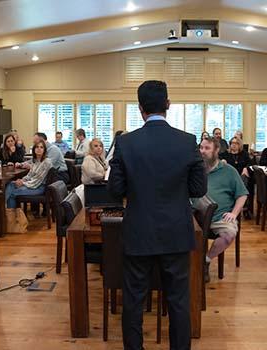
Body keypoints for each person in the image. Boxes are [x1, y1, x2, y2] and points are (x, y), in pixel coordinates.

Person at [108, 80, 207, 350]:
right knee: (178, 301)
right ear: (168, 105)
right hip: (176, 231)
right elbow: (199, 189)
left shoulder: (125, 143)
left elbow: (115, 189)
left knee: (134, 301)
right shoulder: (187, 141)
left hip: (138, 231)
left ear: (140, 108)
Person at [199, 137, 248, 282]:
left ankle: (205, 261)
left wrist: (234, 213)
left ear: (216, 151)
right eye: (201, 148)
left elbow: (242, 194)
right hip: (194, 216)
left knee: (229, 233)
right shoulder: (195, 169)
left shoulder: (229, 171)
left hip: (218, 217)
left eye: (207, 148)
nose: (202, 151)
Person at [6, 140, 52, 208]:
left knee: (12, 194)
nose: (39, 149)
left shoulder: (46, 162)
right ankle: (4, 209)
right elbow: (29, 175)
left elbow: (37, 181)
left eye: (41, 147)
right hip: (32, 184)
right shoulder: (35, 160)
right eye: (37, 147)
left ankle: (10, 214)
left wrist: (23, 183)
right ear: (34, 149)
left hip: (38, 187)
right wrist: (22, 180)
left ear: (44, 150)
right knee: (11, 184)